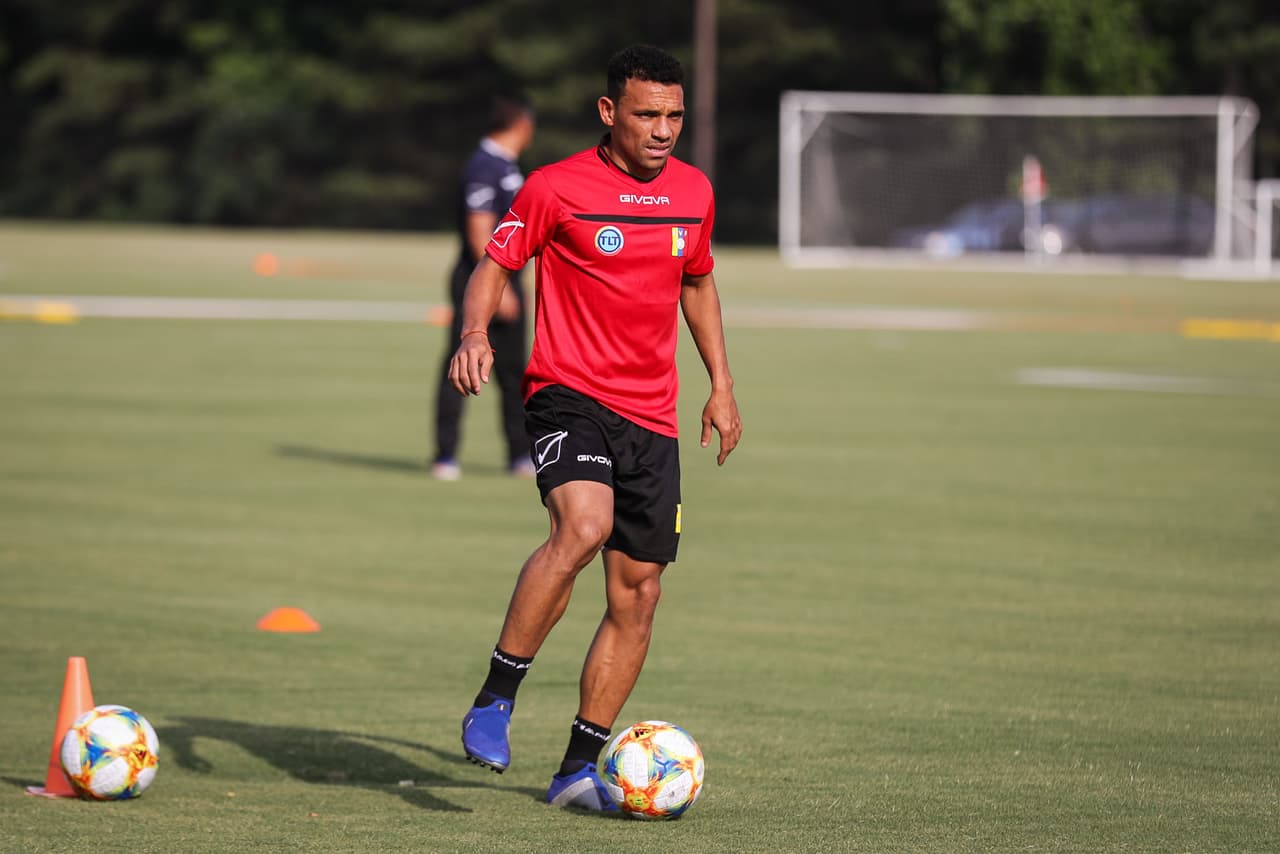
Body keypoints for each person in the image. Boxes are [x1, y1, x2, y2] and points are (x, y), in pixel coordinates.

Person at [448, 45, 743, 811]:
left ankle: (576, 770)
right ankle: (495, 696)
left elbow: (700, 282)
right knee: (583, 526)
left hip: (654, 415)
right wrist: (476, 333)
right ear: (610, 113)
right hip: (567, 393)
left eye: (674, 115)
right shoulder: (556, 188)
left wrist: (722, 384)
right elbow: (494, 262)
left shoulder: (694, 193)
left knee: (638, 594)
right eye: (647, 114)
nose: (663, 130)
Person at [431, 92, 537, 481]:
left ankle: (519, 455)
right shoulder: (484, 164)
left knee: (514, 370)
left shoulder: (508, 166)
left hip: (507, 279)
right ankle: (445, 455)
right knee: (460, 362)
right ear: (524, 124)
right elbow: (480, 231)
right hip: (481, 279)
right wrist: (500, 285)